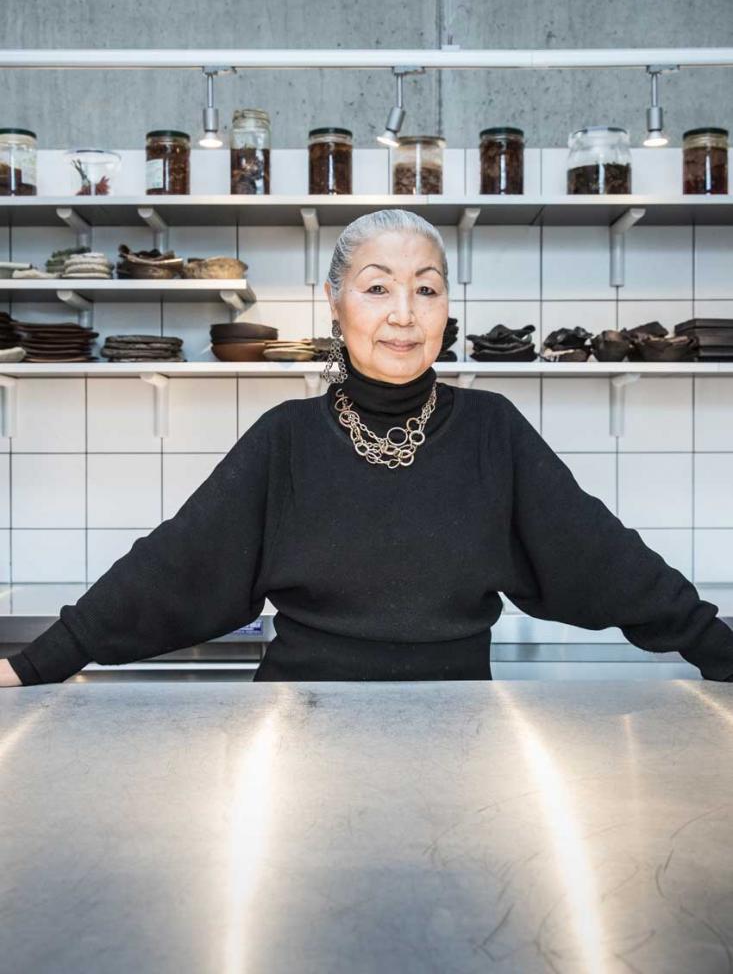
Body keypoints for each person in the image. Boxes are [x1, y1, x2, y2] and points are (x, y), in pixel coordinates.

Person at [2, 208, 732, 688]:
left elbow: (601, 556)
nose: (404, 314)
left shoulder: (490, 430)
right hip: (297, 724)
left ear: (447, 309)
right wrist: (37, 664)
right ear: (336, 301)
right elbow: (174, 563)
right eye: (377, 287)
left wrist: (713, 644)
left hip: (457, 731)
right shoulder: (286, 437)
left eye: (427, 289)